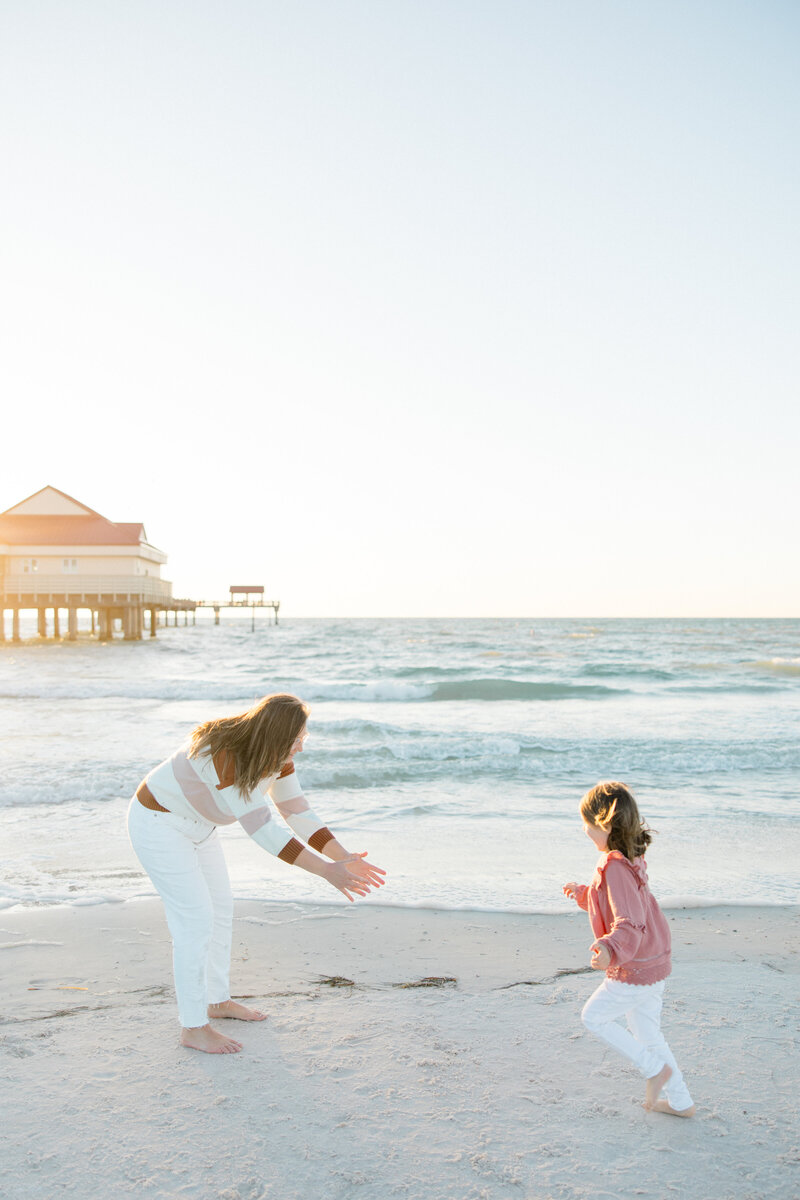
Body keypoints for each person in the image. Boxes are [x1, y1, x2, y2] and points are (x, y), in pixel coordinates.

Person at [127, 692, 386, 1055]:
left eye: (304, 738)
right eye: (298, 739)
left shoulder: (275, 756)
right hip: (159, 825)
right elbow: (264, 829)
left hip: (200, 828)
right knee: (195, 921)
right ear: (276, 734)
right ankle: (193, 1027)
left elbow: (296, 812)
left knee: (220, 911)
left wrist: (342, 857)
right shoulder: (220, 753)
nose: (301, 746)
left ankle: (216, 1001)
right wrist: (326, 871)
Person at [562, 781, 695, 1117]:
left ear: (604, 825)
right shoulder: (630, 856)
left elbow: (628, 921)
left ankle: (653, 1069)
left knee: (593, 1017)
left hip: (635, 964)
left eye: (588, 824)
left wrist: (608, 948)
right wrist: (584, 894)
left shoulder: (615, 866)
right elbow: (616, 901)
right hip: (654, 959)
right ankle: (681, 1102)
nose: (584, 830)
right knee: (648, 1032)